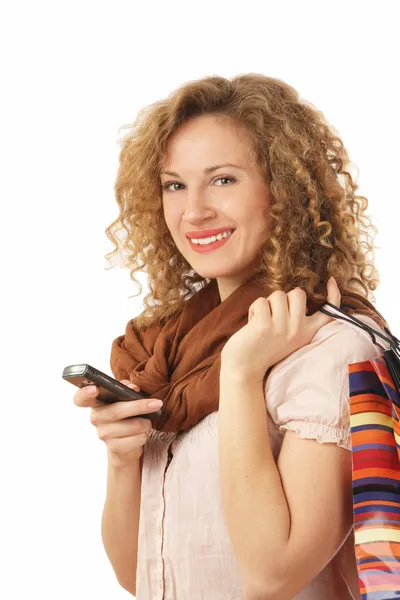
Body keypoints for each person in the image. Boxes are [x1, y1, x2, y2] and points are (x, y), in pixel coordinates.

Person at [73, 74, 391, 600]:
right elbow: (141, 578)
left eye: (223, 180)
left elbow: (272, 577)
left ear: (284, 189)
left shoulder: (334, 350)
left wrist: (242, 373)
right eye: (175, 184)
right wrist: (123, 459)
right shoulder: (165, 356)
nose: (193, 210)